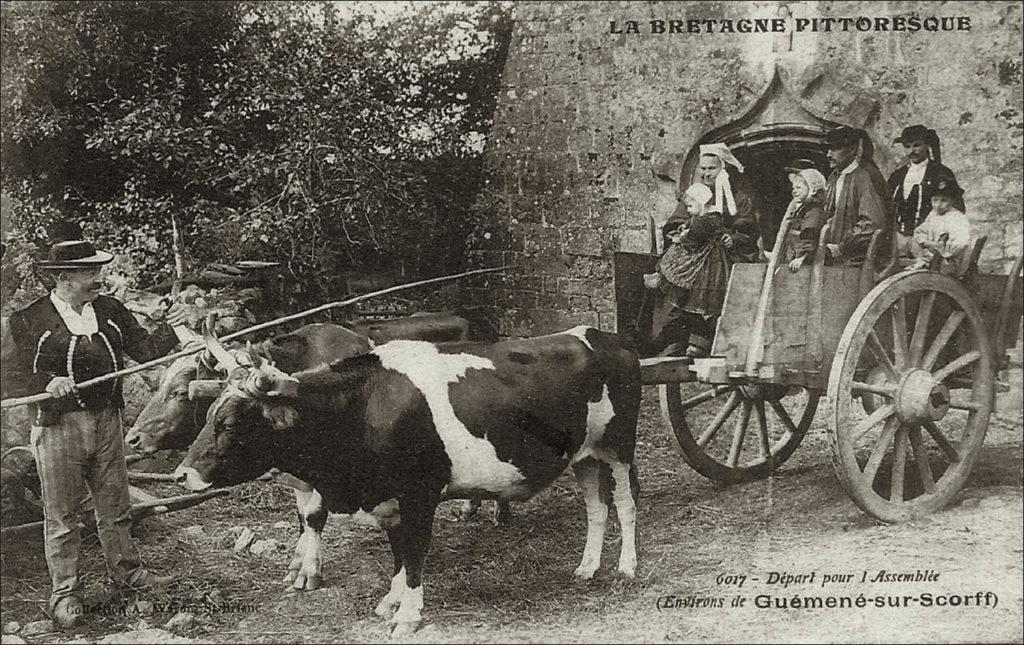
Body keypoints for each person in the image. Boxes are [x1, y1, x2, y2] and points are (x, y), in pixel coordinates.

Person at [3, 239, 187, 628]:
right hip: (58, 427)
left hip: (108, 421)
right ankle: (66, 593)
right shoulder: (27, 320)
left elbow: (148, 351)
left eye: (98, 270)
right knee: (63, 514)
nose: (98, 279)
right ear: (63, 277)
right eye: (90, 272)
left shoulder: (111, 311)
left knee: (115, 506)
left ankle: (128, 574)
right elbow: (11, 376)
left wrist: (175, 324)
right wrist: (47, 381)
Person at [646, 183, 728, 357]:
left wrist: (681, 237)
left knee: (698, 305)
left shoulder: (706, 219)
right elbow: (693, 230)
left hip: (706, 267)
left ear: (701, 202)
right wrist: (684, 230)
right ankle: (661, 276)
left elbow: (693, 237)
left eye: (691, 206)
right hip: (703, 260)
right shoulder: (705, 218)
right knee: (695, 308)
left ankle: (662, 277)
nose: (688, 210)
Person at [887, 124, 963, 256]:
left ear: (927, 145)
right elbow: (886, 207)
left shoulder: (941, 174)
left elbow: (957, 209)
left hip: (929, 243)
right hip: (899, 244)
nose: (911, 151)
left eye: (917, 145)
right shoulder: (897, 176)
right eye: (907, 146)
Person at [821, 126, 891, 265]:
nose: (828, 155)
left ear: (852, 149)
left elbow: (871, 223)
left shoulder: (865, 176)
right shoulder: (833, 178)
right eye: (827, 149)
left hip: (857, 260)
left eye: (834, 149)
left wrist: (842, 247)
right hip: (832, 256)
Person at [695, 142, 765, 262]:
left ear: (723, 169)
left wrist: (733, 238)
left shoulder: (739, 198)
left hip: (730, 253)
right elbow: (677, 220)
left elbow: (749, 229)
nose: (706, 174)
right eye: (703, 168)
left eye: (712, 168)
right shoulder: (695, 194)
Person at [908, 178, 971, 274]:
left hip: (948, 262)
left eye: (944, 200)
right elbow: (920, 231)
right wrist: (926, 242)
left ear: (953, 200)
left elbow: (961, 242)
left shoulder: (957, 218)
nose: (938, 205)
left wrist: (943, 250)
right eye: (935, 200)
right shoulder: (933, 215)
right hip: (932, 256)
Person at [780, 168, 828, 271]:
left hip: (804, 264)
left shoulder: (814, 211)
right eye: (793, 188)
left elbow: (810, 235)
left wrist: (801, 257)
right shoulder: (803, 210)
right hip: (792, 257)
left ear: (813, 190)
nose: (794, 191)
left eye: (798, 187)